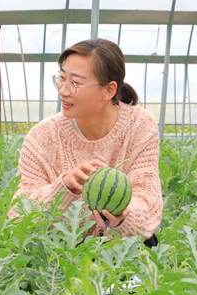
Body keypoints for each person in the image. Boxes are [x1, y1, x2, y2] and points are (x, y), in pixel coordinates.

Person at [15, 38, 162, 244]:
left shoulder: (140, 125)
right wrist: (63, 188)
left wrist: (122, 217)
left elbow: (146, 200)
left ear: (109, 90)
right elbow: (19, 213)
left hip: (123, 248)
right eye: (62, 78)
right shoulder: (42, 137)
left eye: (75, 82)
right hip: (59, 254)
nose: (63, 90)